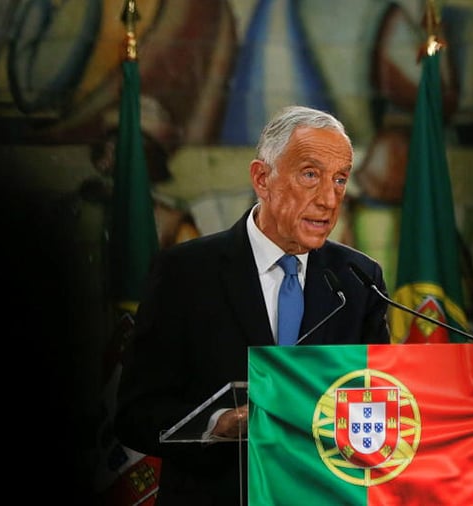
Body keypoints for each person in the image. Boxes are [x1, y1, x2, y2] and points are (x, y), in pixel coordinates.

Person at [114, 105, 392, 505]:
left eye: (340, 179)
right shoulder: (185, 273)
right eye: (310, 175)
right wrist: (217, 424)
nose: (329, 200)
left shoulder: (359, 279)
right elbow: (136, 413)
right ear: (262, 179)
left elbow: (379, 401)